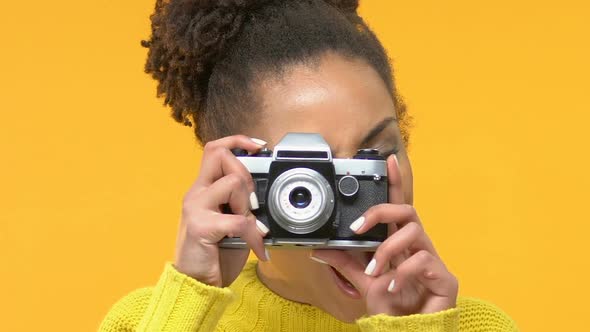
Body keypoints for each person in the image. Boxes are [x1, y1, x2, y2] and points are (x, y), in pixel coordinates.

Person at [100, 0, 518, 330]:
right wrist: (192, 303)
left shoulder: (476, 328)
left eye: (375, 154)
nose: (348, 200)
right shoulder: (148, 323)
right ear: (234, 184)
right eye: (307, 178)